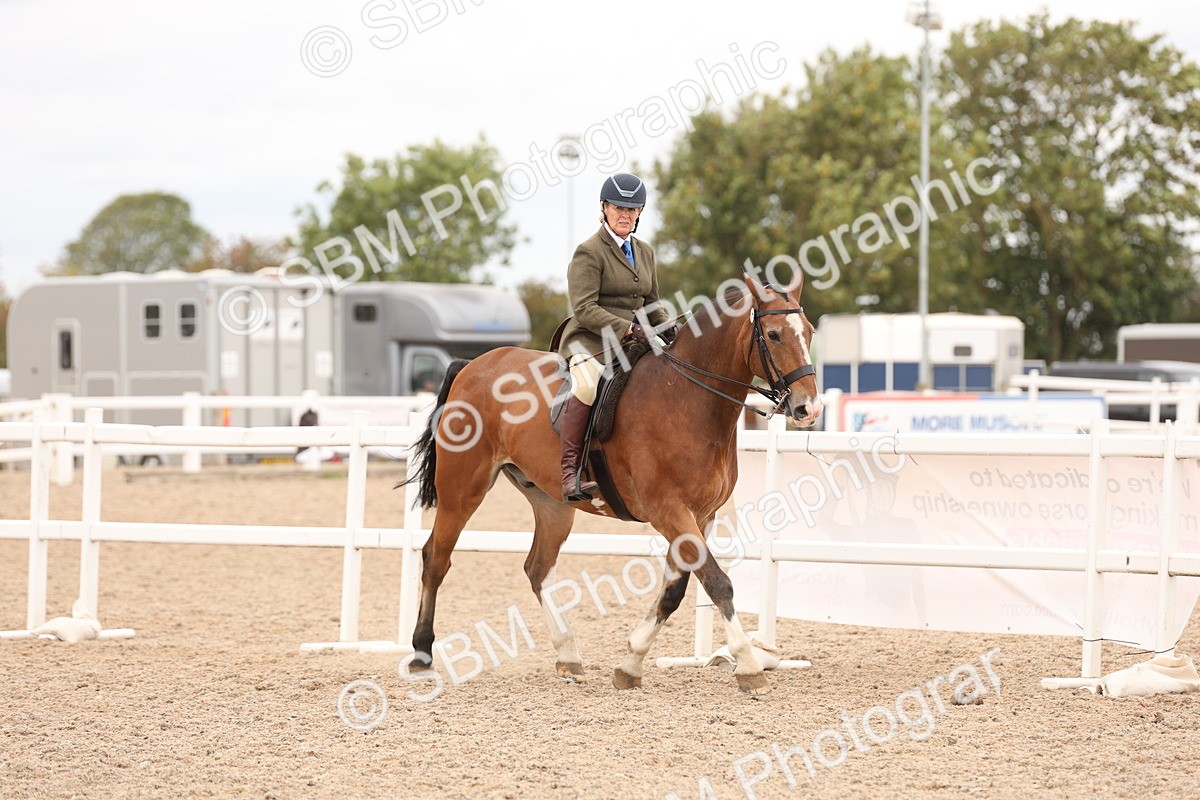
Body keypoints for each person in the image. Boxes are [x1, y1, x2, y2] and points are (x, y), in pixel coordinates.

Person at [556, 172, 676, 502]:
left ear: (639, 213)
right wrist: (627, 328)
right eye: (618, 208)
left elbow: (651, 303)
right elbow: (584, 308)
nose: (625, 215)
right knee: (585, 384)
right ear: (604, 209)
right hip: (591, 341)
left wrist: (668, 327)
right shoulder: (589, 252)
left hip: (633, 342)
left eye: (632, 209)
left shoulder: (645, 252)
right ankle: (570, 472)